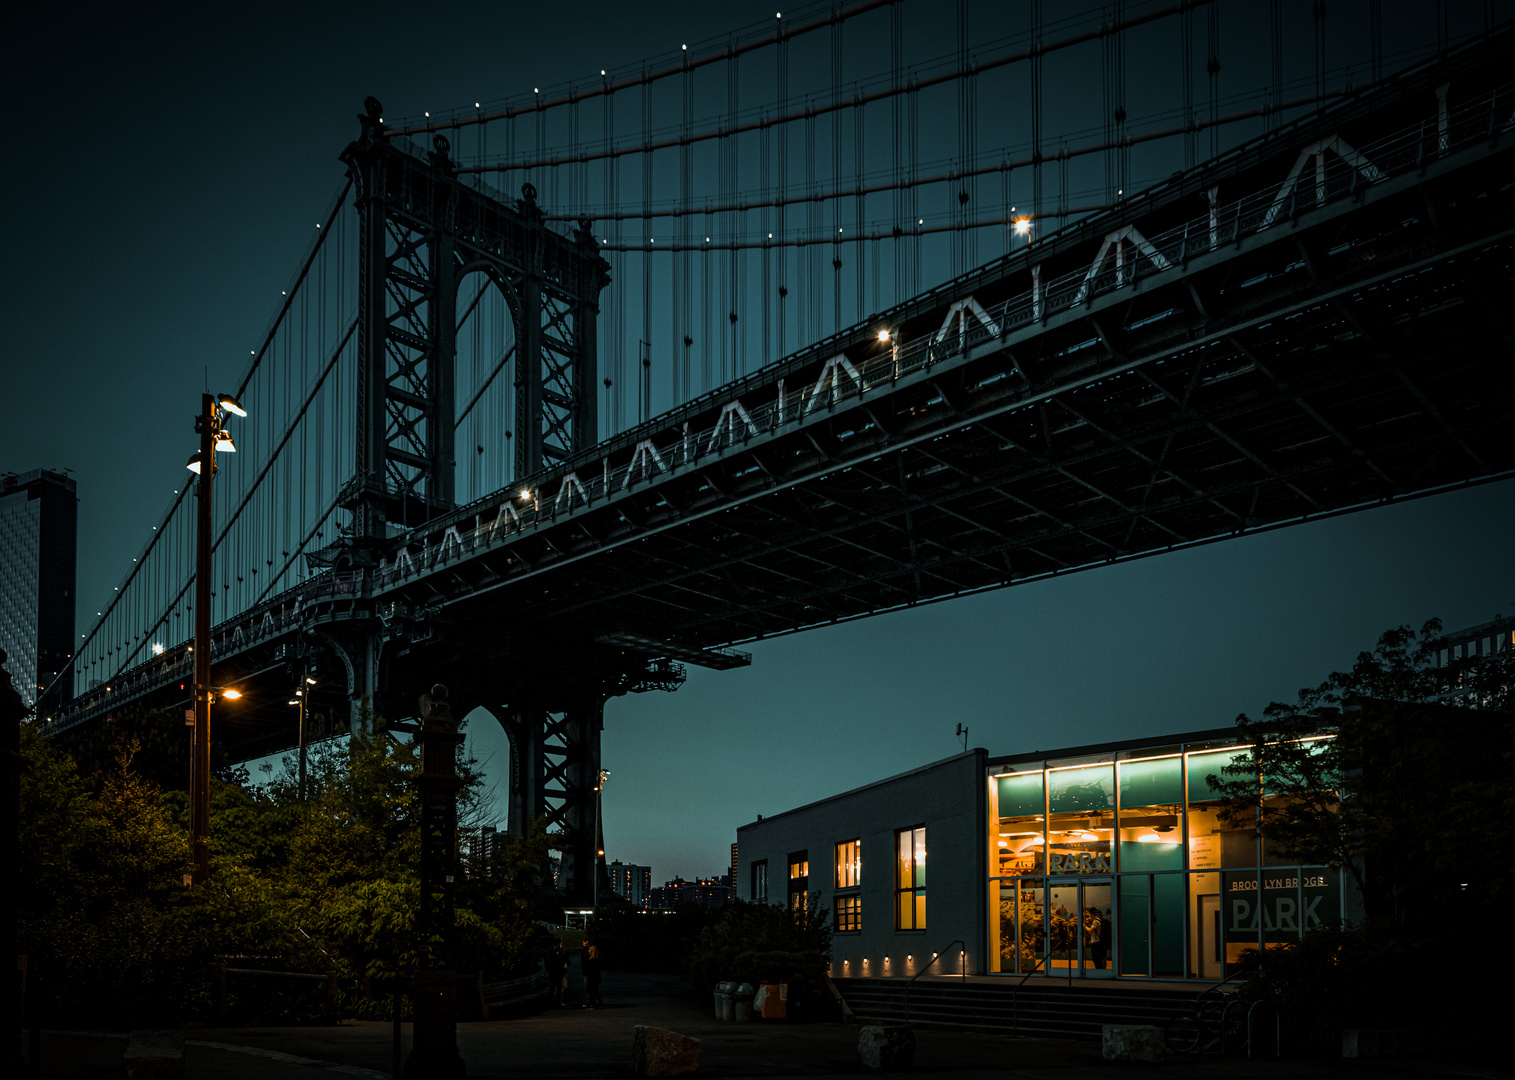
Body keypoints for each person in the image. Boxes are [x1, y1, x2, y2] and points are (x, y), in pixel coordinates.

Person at [581, 939, 603, 1008]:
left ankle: (592, 1002)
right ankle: (597, 1001)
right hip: (595, 977)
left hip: (591, 976)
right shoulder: (597, 959)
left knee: (591, 990)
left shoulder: (591, 960)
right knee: (594, 990)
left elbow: (588, 967)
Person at [546, 941, 568, 1007]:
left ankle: (553, 1002)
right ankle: (556, 1002)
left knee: (554, 988)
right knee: (557, 988)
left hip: (554, 972)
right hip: (557, 972)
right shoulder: (554, 954)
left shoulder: (550, 953)